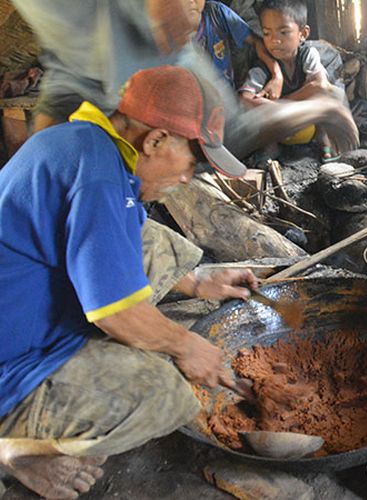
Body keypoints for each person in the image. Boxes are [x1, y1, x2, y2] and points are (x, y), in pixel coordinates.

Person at [0, 66, 260, 498]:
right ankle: (16, 450)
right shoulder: (100, 176)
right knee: (163, 396)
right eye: (190, 165)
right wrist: (186, 345)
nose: (185, 180)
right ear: (156, 140)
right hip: (14, 364)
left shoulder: (84, 145)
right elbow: (117, 312)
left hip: (23, 310)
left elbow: (121, 239)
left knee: (145, 233)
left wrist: (198, 282)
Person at [11, 0, 358, 159]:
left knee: (224, 134)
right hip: (76, 54)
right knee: (49, 154)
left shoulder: (213, 15)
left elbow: (250, 40)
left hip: (138, 25)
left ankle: (324, 107)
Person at [238, 0, 346, 163]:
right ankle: (271, 147)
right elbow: (245, 98)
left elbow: (321, 86)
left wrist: (283, 105)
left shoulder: (308, 55)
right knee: (256, 117)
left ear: (303, 33)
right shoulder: (263, 68)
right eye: (267, 33)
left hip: (307, 122)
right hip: (280, 127)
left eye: (284, 32)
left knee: (331, 94)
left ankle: (325, 142)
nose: (275, 40)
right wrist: (283, 109)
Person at [187, 0, 283, 98]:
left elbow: (256, 42)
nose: (191, 1)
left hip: (229, 101)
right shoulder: (173, 39)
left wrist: (277, 75)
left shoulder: (215, 12)